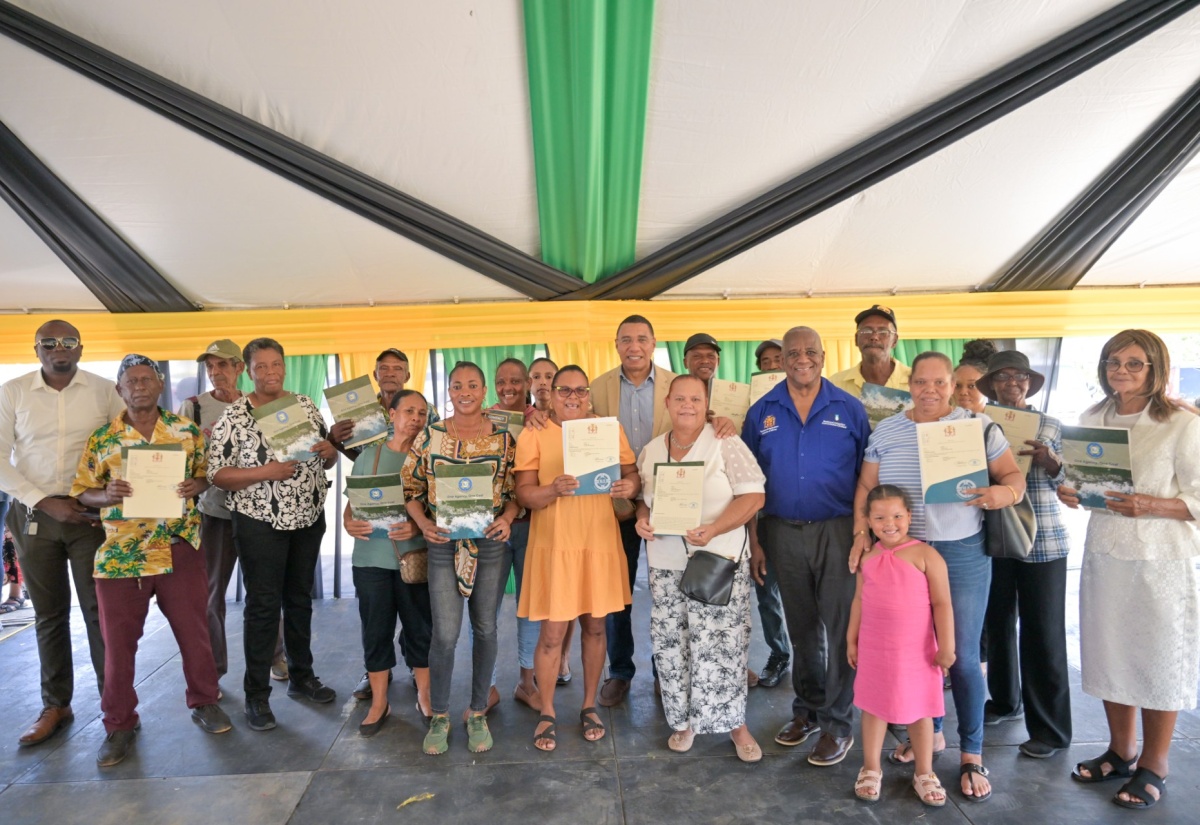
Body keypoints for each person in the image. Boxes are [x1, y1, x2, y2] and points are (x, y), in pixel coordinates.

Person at [850, 351, 1026, 802]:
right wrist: (861, 534)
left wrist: (998, 493)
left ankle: (971, 752)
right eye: (921, 382)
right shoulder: (887, 429)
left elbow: (1013, 477)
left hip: (959, 549)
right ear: (909, 384)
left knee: (960, 654)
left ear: (954, 385)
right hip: (901, 552)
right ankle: (934, 733)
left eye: (940, 383)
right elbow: (867, 487)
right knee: (914, 653)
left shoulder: (978, 427)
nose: (930, 390)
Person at [1058, 330, 1200, 811]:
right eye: (1114, 361)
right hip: (1106, 552)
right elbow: (1084, 480)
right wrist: (1072, 490)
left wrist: (1152, 504)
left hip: (1162, 562)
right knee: (1110, 653)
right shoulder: (1092, 417)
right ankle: (1121, 750)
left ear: (1155, 369)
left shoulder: (1182, 423)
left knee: (1157, 658)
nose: (1121, 370)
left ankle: (1155, 763)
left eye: (1134, 363)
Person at [72, 355, 231, 766]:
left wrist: (193, 484)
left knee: (194, 633)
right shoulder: (103, 439)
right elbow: (82, 491)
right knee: (119, 647)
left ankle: (204, 702)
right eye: (131, 381)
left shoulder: (185, 430)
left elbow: (205, 475)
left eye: (146, 379)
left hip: (179, 546)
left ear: (159, 386)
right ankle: (119, 724)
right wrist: (105, 495)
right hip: (123, 556)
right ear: (119, 390)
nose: (139, 385)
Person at [742, 326, 870, 767]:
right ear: (781, 358)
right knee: (802, 630)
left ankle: (838, 724)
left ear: (822, 356)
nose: (802, 359)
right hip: (781, 531)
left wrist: (860, 533)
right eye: (792, 352)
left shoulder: (849, 409)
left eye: (810, 351)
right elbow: (748, 484)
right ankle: (809, 710)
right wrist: (756, 541)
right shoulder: (762, 412)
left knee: (839, 630)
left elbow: (865, 479)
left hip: (836, 531)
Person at [0, 320, 123, 747]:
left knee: (99, 611)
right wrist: (44, 500)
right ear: (36, 350)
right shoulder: (13, 391)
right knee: (49, 615)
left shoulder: (104, 389)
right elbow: (0, 459)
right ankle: (56, 704)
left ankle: (116, 707)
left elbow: (120, 447)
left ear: (80, 348)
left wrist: (97, 497)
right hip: (35, 514)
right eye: (49, 343)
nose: (59, 348)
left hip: (89, 515)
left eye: (67, 341)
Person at [208, 337, 340, 732]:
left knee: (299, 601)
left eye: (276, 364)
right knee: (263, 607)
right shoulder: (235, 416)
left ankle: (302, 678)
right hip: (259, 523)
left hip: (307, 518)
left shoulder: (302, 405)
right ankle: (256, 696)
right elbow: (216, 474)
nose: (270, 372)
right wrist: (264, 472)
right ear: (247, 371)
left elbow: (326, 457)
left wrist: (329, 452)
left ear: (285, 366)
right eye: (261, 366)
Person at [636, 374, 766, 761]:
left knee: (722, 648)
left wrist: (714, 529)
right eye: (679, 399)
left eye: (695, 398)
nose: (687, 405)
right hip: (667, 564)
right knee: (674, 645)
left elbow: (754, 496)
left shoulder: (725, 442)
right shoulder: (653, 449)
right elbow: (645, 500)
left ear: (706, 402)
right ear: (668, 403)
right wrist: (642, 518)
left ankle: (735, 726)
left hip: (717, 560)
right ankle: (686, 721)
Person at [516, 365, 640, 751]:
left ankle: (589, 705)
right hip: (555, 543)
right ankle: (548, 710)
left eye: (580, 390)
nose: (573, 396)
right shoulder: (534, 431)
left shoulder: (606, 429)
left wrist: (628, 485)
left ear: (589, 395)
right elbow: (524, 495)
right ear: (549, 394)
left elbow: (633, 475)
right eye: (564, 390)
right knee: (552, 634)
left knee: (597, 627)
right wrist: (551, 490)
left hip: (598, 541)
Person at [403, 361, 518, 755]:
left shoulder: (505, 440)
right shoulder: (430, 436)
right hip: (442, 543)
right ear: (448, 392)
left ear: (484, 391)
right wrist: (422, 524)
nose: (464, 391)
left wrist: (506, 517)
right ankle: (439, 715)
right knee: (446, 635)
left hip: (488, 544)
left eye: (472, 385)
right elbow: (410, 488)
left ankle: (478, 711)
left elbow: (518, 490)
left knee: (485, 628)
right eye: (457, 386)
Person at [976, 350, 1072, 758]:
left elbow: (1071, 478)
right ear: (993, 383)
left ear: (1030, 384)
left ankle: (1050, 730)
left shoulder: (1050, 424)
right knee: (996, 625)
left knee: (1043, 633)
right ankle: (1003, 701)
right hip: (994, 536)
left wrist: (1051, 463)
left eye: (1019, 377)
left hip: (1043, 540)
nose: (1012, 383)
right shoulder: (977, 422)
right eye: (1003, 377)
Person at [180, 339, 288, 691]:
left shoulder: (258, 404)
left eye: (223, 365)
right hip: (215, 514)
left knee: (265, 591)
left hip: (259, 513)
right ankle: (216, 666)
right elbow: (179, 457)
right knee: (212, 595)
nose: (215, 373)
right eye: (210, 367)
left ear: (240, 368)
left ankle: (276, 656)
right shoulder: (193, 407)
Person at [589, 315, 677, 707]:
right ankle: (620, 671)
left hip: (669, 500)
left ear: (654, 343)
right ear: (616, 344)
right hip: (617, 502)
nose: (634, 346)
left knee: (666, 590)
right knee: (616, 592)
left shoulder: (678, 386)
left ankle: (665, 669)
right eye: (626, 339)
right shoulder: (598, 388)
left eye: (642, 338)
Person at [848, 485, 955, 806]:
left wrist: (946, 646)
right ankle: (870, 767)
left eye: (897, 516)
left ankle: (924, 771)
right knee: (873, 704)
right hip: (874, 645)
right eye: (879, 517)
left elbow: (942, 602)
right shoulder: (867, 555)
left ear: (909, 516)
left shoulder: (926, 554)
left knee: (920, 707)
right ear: (867, 520)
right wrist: (851, 638)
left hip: (917, 649)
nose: (889, 523)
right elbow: (858, 600)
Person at [343, 389, 433, 737]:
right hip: (371, 560)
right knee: (375, 630)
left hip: (415, 558)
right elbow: (353, 504)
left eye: (422, 413)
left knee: (420, 630)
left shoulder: (429, 458)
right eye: (409, 410)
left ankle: (424, 696)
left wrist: (416, 525)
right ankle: (380, 701)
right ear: (391, 415)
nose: (416, 418)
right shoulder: (370, 456)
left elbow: (441, 508)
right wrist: (349, 522)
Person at [528, 357, 576, 686]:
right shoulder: (525, 421)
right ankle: (532, 668)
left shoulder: (583, 419)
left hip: (573, 522)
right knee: (540, 602)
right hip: (530, 518)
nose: (543, 382)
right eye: (537, 377)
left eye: (550, 376)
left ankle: (563, 656)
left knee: (568, 602)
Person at [749, 339, 790, 689]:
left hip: (806, 519)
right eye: (768, 361)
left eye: (780, 359)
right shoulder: (755, 410)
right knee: (766, 589)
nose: (774, 365)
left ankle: (813, 657)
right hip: (764, 516)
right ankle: (780, 652)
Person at [329, 348, 414, 459]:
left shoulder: (424, 410)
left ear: (407, 377)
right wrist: (335, 443)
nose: (390, 374)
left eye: (397, 368)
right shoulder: (362, 411)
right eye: (384, 368)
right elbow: (361, 457)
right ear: (375, 375)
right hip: (372, 476)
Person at [829, 304, 912, 397]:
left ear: (895, 340)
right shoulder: (835, 385)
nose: (874, 337)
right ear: (856, 339)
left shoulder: (919, 382)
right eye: (866, 331)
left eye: (883, 331)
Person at [953, 339, 996, 414]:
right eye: (957, 385)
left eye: (971, 386)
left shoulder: (1003, 423)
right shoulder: (943, 423)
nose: (963, 392)